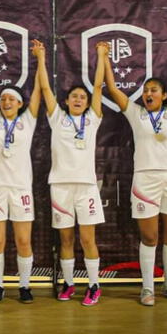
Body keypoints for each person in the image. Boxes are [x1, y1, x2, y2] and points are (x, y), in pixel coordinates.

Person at [103, 36, 167, 306]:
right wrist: (104, 57)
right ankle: (147, 288)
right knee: (150, 237)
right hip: (145, 181)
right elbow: (113, 90)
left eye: (154, 90)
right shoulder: (136, 114)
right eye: (146, 90)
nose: (148, 94)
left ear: (164, 96)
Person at [38, 40, 106, 306]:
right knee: (65, 238)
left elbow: (98, 86)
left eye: (83, 97)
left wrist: (101, 56)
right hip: (60, 186)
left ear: (87, 103)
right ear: (66, 101)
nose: (78, 99)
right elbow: (45, 88)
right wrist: (41, 58)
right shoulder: (57, 118)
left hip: (86, 186)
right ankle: (68, 284)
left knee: (87, 238)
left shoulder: (93, 119)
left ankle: (94, 285)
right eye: (74, 96)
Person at [0, 39, 42, 304]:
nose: (5, 101)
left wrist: (41, 59)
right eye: (2, 98)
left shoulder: (28, 120)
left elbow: (40, 89)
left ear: (19, 104)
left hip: (20, 188)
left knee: (23, 241)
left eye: (11, 98)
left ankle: (25, 286)